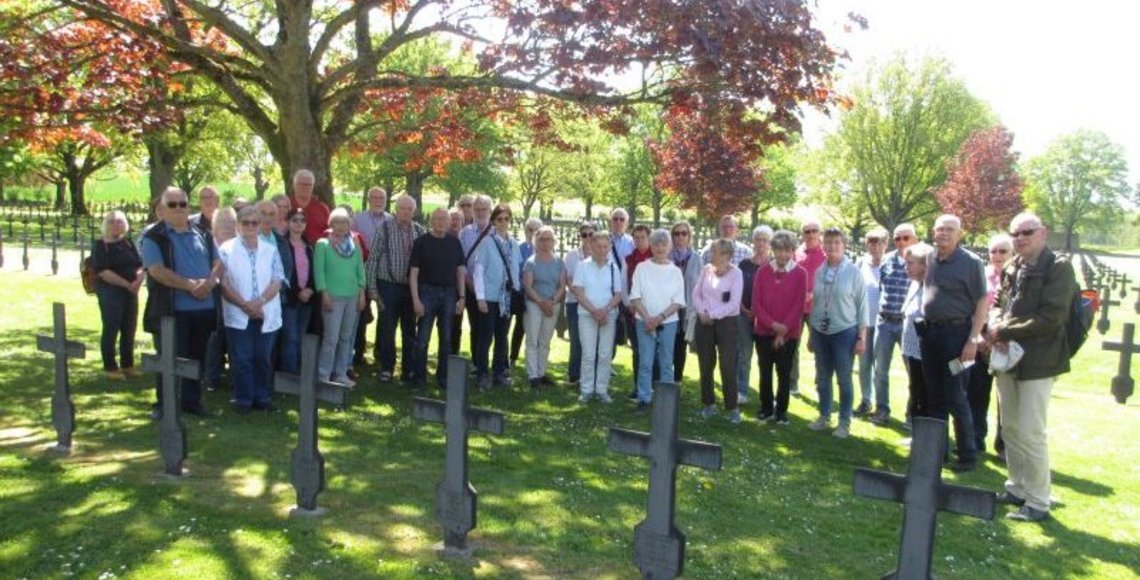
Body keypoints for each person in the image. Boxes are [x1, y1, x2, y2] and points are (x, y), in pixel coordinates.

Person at [987, 213, 1076, 522]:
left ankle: (1038, 501)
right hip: (1007, 358)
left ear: (1043, 233)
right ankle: (1017, 487)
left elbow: (1052, 318)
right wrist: (996, 326)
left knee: (1030, 432)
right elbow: (998, 303)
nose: (1020, 238)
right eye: (1015, 233)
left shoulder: (1059, 268)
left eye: (1027, 232)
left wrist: (1006, 332)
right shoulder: (1014, 266)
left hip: (1039, 362)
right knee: (1009, 428)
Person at [141, 187, 224, 418]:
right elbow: (157, 271)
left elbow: (218, 264)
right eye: (173, 204)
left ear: (189, 206)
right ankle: (164, 404)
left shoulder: (203, 233)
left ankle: (191, 401)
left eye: (183, 204)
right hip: (172, 310)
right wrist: (190, 286)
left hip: (204, 309)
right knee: (169, 358)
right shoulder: (154, 237)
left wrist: (210, 283)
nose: (179, 208)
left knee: (197, 359)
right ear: (163, 209)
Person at [922, 214, 986, 473]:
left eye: (950, 230)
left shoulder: (971, 263)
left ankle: (967, 455)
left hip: (957, 336)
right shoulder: (931, 258)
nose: (944, 234)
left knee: (956, 396)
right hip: (931, 335)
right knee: (934, 395)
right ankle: (939, 452)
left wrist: (972, 339)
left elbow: (981, 302)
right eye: (939, 230)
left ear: (960, 234)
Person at [217, 206, 285, 414]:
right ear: (238, 225)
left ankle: (262, 397)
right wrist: (244, 305)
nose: (250, 226)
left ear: (260, 225)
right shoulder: (226, 249)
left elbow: (277, 280)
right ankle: (244, 399)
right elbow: (224, 283)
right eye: (245, 223)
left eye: (254, 223)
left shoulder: (270, 249)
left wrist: (259, 302)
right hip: (238, 312)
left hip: (266, 311)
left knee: (262, 358)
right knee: (243, 358)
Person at [806, 228, 868, 439]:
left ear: (844, 245)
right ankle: (824, 417)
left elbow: (862, 306)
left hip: (844, 332)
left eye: (837, 243)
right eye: (829, 242)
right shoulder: (819, 271)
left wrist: (861, 337)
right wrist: (811, 334)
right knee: (823, 378)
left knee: (844, 379)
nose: (832, 247)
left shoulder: (853, 272)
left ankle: (844, 422)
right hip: (821, 332)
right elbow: (815, 304)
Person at [365, 195, 425, 382]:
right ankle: (387, 367)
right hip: (388, 285)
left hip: (410, 289)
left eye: (409, 209)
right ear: (396, 210)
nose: (405, 212)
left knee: (409, 330)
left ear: (414, 212)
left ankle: (408, 369)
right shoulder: (385, 228)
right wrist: (372, 288)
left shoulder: (420, 231)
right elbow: (373, 258)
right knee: (387, 328)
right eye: (402, 208)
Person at [751, 230, 808, 424]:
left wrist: (783, 330)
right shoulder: (763, 271)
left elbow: (798, 305)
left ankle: (781, 411)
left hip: (788, 334)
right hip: (764, 332)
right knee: (764, 372)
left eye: (786, 250)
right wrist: (773, 325)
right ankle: (766, 408)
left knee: (784, 373)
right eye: (778, 250)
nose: (782, 255)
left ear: (792, 251)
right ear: (772, 250)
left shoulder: (801, 273)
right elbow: (756, 303)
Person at [410, 208, 467, 389]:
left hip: (449, 293)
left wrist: (462, 296)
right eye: (437, 219)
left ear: (450, 222)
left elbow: (460, 272)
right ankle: (419, 377)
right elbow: (413, 274)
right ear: (431, 221)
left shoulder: (455, 243)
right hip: (426, 292)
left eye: (445, 219)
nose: (441, 222)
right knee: (423, 338)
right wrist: (416, 300)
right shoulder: (421, 242)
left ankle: (443, 377)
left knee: (446, 339)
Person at [868, 223, 919, 425]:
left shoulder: (921, 263)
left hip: (908, 325)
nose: (902, 242)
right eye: (897, 238)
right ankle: (882, 411)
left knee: (913, 373)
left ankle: (911, 415)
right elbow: (882, 289)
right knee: (880, 370)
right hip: (885, 323)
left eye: (906, 238)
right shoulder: (886, 261)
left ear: (914, 239)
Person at [629, 229, 686, 412]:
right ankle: (644, 398)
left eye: (664, 244)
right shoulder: (641, 268)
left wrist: (659, 318)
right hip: (643, 321)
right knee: (645, 362)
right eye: (656, 244)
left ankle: (666, 402)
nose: (660, 248)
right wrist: (648, 319)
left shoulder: (675, 271)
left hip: (668, 322)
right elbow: (635, 297)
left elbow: (678, 301)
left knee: (666, 362)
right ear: (651, 246)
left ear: (669, 246)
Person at [970, 233, 1014, 456]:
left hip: (1006, 343)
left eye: (1003, 251)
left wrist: (997, 336)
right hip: (980, 342)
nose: (997, 256)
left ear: (1012, 252)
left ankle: (1004, 445)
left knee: (1004, 399)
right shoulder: (981, 276)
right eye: (993, 251)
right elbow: (972, 307)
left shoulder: (1015, 278)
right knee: (977, 395)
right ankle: (976, 440)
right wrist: (978, 336)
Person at [692, 239, 744, 423]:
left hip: (726, 323)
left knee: (727, 365)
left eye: (714, 251)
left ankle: (732, 407)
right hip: (704, 321)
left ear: (726, 255)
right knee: (705, 364)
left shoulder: (736, 274)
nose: (710, 254)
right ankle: (708, 404)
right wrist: (702, 312)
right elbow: (696, 293)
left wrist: (712, 314)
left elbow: (733, 303)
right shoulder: (706, 270)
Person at [472, 204, 522, 388]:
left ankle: (499, 372)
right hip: (490, 298)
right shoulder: (487, 242)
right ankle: (482, 373)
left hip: (506, 299)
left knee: (502, 337)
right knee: (486, 337)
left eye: (506, 218)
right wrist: (480, 297)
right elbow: (479, 270)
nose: (503, 222)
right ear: (493, 221)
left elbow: (516, 268)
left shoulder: (514, 244)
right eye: (499, 219)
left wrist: (516, 289)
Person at [314, 208, 366, 385]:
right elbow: (319, 272)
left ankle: (340, 373)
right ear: (331, 224)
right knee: (331, 338)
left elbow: (360, 269)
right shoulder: (323, 244)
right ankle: (323, 375)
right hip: (332, 297)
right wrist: (324, 293)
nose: (342, 226)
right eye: (337, 222)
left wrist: (361, 293)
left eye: (345, 222)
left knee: (346, 337)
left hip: (352, 297)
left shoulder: (354, 243)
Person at [572, 231, 623, 403]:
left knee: (605, 354)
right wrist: (595, 311)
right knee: (588, 354)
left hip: (608, 316)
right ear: (591, 247)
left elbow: (617, 294)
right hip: (587, 315)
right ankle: (586, 389)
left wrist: (605, 310)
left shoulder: (613, 267)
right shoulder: (582, 266)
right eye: (598, 246)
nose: (602, 250)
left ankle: (601, 389)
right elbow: (578, 292)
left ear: (609, 247)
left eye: (605, 246)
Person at [93, 210, 143, 380]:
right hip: (110, 291)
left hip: (131, 291)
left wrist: (138, 280)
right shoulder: (100, 245)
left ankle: (127, 365)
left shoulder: (128, 243)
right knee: (111, 327)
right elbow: (103, 271)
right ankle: (110, 367)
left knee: (129, 328)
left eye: (120, 221)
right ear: (105, 225)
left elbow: (139, 265)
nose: (116, 225)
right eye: (112, 221)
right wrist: (127, 284)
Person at [523, 225, 567, 388]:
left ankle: (541, 373)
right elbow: (528, 286)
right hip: (534, 304)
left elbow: (562, 285)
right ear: (536, 240)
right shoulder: (530, 262)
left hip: (552, 304)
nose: (545, 242)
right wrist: (542, 302)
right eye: (542, 238)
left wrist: (552, 301)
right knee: (532, 340)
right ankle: (532, 375)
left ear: (553, 241)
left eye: (549, 238)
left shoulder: (559, 262)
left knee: (545, 341)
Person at [735, 225, 772, 404]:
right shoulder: (744, 264)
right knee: (744, 355)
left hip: (766, 319)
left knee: (766, 358)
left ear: (770, 243)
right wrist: (744, 309)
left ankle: (767, 395)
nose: (761, 243)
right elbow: (737, 290)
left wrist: (761, 314)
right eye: (758, 239)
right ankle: (741, 390)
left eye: (765, 240)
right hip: (744, 315)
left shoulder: (774, 265)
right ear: (753, 241)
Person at [855, 228, 888, 417]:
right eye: (872, 242)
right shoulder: (860, 263)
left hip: (884, 323)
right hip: (863, 323)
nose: (875, 246)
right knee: (864, 364)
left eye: (879, 242)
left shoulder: (891, 263)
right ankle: (866, 400)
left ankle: (882, 405)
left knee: (881, 367)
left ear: (885, 244)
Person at [791, 218, 826, 395]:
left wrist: (813, 294)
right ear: (802, 234)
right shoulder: (796, 253)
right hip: (797, 308)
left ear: (820, 234)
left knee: (819, 346)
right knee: (792, 346)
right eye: (807, 231)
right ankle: (792, 384)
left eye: (814, 231)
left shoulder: (827, 254)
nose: (811, 234)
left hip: (818, 309)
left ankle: (821, 383)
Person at [203, 207, 237, 390]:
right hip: (215, 296)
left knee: (234, 340)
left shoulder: (239, 245)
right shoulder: (208, 245)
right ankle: (212, 377)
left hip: (236, 298)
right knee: (214, 338)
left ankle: (235, 377)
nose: (228, 227)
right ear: (214, 226)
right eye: (223, 223)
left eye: (231, 223)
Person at [901, 243, 934, 423]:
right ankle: (916, 433)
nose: (907, 267)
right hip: (911, 350)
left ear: (925, 265)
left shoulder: (933, 288)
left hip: (926, 352)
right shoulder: (915, 284)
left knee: (926, 393)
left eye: (911, 263)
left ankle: (924, 437)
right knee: (915, 390)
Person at [279, 207, 315, 375]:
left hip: (307, 299)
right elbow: (282, 273)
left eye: (302, 220)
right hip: (290, 299)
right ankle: (288, 373)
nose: (298, 224)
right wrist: (297, 292)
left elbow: (313, 272)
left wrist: (309, 289)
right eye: (295, 220)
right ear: (287, 222)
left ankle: (298, 372)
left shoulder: (309, 247)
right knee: (290, 337)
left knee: (301, 336)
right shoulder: (282, 245)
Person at [459, 195, 494, 356]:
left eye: (484, 209)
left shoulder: (496, 232)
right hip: (470, 287)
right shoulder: (464, 233)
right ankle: (476, 361)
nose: (480, 213)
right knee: (475, 327)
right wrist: (469, 283)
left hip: (491, 290)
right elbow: (460, 262)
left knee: (489, 328)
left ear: (490, 211)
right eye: (477, 209)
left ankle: (484, 361)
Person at [669, 221, 702, 382]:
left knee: (681, 345)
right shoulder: (666, 256)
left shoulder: (697, 259)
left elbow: (701, 285)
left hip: (687, 308)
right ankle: (665, 377)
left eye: (684, 233)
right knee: (668, 344)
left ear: (689, 236)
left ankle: (677, 380)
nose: (680, 237)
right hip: (668, 308)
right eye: (677, 233)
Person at [563, 221, 596, 386]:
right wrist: (578, 293)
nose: (588, 238)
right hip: (574, 302)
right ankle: (574, 374)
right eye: (584, 235)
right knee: (576, 339)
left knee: (591, 341)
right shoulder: (572, 255)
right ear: (580, 237)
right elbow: (567, 278)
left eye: (591, 234)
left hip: (594, 304)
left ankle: (590, 375)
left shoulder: (601, 254)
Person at [623, 223, 653, 398]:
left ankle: (652, 386)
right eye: (636, 237)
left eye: (643, 237)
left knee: (652, 352)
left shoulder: (656, 257)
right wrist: (629, 304)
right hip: (633, 311)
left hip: (652, 312)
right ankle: (638, 386)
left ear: (649, 238)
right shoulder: (629, 259)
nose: (640, 240)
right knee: (637, 351)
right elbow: (623, 283)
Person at [512, 217, 544, 368]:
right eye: (530, 230)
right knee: (519, 328)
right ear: (525, 231)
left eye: (537, 231)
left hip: (541, 297)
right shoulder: (519, 248)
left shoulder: (547, 252)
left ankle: (535, 361)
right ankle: (512, 358)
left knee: (538, 332)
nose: (533, 233)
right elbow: (516, 272)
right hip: (523, 296)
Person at [290, 170, 331, 244]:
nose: (304, 187)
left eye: (308, 184)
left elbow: (330, 233)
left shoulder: (322, 208)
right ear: (293, 185)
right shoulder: (286, 206)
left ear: (313, 186)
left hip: (318, 252)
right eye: (300, 184)